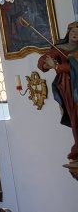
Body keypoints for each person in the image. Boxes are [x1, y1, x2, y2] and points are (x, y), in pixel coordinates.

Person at [39, 22, 78, 160]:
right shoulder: (59, 48)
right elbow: (43, 60)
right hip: (67, 87)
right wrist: (46, 65)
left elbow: (73, 67)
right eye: (73, 31)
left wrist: (56, 67)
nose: (75, 34)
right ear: (68, 33)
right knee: (74, 117)